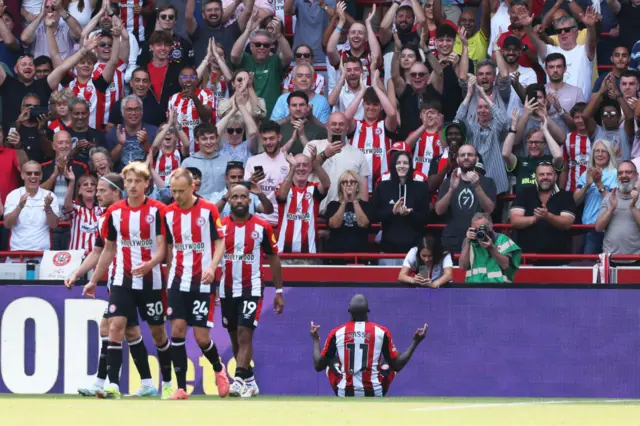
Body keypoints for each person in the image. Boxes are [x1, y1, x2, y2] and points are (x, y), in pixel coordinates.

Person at [82, 162, 173, 399]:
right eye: (129, 181)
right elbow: (108, 250)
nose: (133, 186)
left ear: (146, 184)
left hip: (151, 281)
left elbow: (163, 249)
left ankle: (169, 383)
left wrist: (151, 264)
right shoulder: (114, 213)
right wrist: (93, 280)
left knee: (158, 334)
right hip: (122, 280)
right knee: (115, 326)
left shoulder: (158, 210)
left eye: (137, 181)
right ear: (124, 184)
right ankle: (112, 384)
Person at [65, 173, 159, 397]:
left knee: (111, 328)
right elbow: (98, 252)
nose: (97, 194)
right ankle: (145, 383)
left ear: (117, 191)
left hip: (133, 281)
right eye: (96, 190)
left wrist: (91, 280)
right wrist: (77, 273)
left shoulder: (129, 215)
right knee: (129, 331)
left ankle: (108, 383)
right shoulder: (106, 218)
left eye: (102, 190)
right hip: (117, 282)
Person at [164, 168, 230, 400]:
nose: (177, 196)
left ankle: (218, 369)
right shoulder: (168, 214)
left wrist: (212, 266)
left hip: (202, 282)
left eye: (181, 191)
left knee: (202, 338)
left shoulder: (208, 210)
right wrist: (170, 273)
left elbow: (220, 242)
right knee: (177, 331)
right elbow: (170, 247)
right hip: (177, 281)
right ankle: (181, 388)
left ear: (193, 187)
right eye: (173, 191)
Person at [220, 184, 284, 397]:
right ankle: (250, 381)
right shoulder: (220, 227)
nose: (239, 200)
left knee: (244, 334)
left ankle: (237, 380)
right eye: (235, 197)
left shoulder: (262, 227)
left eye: (243, 197)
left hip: (252, 288)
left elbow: (274, 258)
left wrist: (279, 291)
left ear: (249, 200)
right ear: (229, 200)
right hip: (227, 290)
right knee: (235, 338)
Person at [311, 294, 428, 397]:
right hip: (375, 391)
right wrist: (415, 342)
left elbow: (318, 365)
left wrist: (316, 339)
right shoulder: (381, 331)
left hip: (345, 392)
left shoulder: (336, 332)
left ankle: (343, 379)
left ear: (349, 311)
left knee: (329, 358)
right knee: (392, 357)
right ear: (368, 311)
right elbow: (397, 365)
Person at [510, 163, 577, 263]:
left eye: (549, 174)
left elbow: (567, 223)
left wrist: (547, 216)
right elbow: (514, 221)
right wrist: (534, 218)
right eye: (541, 174)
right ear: (536, 177)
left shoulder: (566, 196)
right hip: (527, 259)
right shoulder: (524, 193)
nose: (545, 177)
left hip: (559, 260)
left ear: (555, 177)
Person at [435, 144, 497, 254]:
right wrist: (451, 189)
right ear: (458, 159)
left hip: (479, 239)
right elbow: (439, 211)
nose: (466, 157)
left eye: (470, 154)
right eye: (462, 155)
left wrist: (477, 186)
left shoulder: (488, 182)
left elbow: (490, 210)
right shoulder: (449, 181)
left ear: (477, 159)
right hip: (452, 240)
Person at [371, 151, 431, 261]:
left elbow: (426, 217)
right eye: (398, 163)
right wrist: (392, 211)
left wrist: (410, 213)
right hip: (388, 249)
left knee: (420, 278)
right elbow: (374, 215)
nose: (402, 166)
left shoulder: (421, 187)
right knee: (387, 278)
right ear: (393, 165)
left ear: (410, 166)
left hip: (416, 250)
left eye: (405, 163)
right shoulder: (383, 186)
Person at [230, 15, 293, 117]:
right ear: (250, 46)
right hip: (248, 116)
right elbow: (234, 55)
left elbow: (288, 56)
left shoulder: (275, 60)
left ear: (270, 47)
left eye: (266, 45)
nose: (262, 47)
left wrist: (279, 35)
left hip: (272, 117)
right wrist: (248, 30)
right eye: (258, 44)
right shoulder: (246, 59)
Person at [574, 139, 618, 254]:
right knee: (587, 266)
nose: (599, 154)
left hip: (606, 226)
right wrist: (587, 185)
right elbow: (575, 201)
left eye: (603, 151)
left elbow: (614, 202)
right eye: (597, 151)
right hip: (587, 226)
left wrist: (599, 184)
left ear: (609, 154)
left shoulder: (615, 173)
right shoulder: (586, 174)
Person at [3, 160, 59, 251]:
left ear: (41, 176)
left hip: (42, 253)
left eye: (36, 173)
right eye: (29, 173)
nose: (33, 176)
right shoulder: (13, 195)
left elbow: (54, 225)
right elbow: (7, 224)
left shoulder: (50, 196)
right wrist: (20, 206)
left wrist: (48, 207)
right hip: (17, 252)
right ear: (22, 175)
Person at [595, 161, 640, 264]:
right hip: (610, 260)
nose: (623, 175)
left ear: (636, 176)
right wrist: (611, 208)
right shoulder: (609, 197)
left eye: (628, 172)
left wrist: (633, 207)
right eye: (620, 173)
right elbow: (598, 227)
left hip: (636, 260)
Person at [459, 212, 521, 282]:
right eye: (476, 229)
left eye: (481, 229)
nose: (479, 232)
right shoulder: (468, 241)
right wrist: (467, 241)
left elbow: (505, 265)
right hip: (474, 288)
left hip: (498, 287)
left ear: (490, 227)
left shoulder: (502, 240)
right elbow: (462, 267)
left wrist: (492, 248)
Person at [326, 170, 371, 256]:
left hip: (360, 256)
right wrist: (344, 202)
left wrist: (354, 200)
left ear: (357, 187)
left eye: (353, 182)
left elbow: (363, 224)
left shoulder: (365, 206)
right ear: (340, 187)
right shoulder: (333, 205)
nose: (349, 184)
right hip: (337, 256)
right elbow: (335, 224)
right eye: (345, 182)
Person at [181, 123, 230, 198]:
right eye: (204, 139)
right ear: (196, 140)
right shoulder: (187, 163)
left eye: (212, 138)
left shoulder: (227, 160)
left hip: (223, 206)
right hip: (197, 206)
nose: (209, 142)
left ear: (217, 139)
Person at [209, 161, 274, 217]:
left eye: (240, 177)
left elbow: (269, 211)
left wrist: (260, 194)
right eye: (233, 177)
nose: (237, 180)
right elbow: (210, 214)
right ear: (226, 178)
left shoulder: (251, 196)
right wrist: (226, 197)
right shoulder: (216, 196)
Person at [62, 172, 101, 254]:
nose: (89, 186)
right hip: (77, 258)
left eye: (93, 184)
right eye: (85, 184)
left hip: (97, 258)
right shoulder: (76, 209)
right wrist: (72, 181)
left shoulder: (103, 210)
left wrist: (104, 184)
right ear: (79, 190)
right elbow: (67, 206)